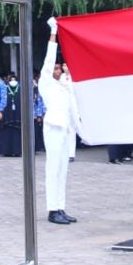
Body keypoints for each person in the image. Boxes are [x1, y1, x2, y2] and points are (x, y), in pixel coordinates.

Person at [41, 19, 82, 224]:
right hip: (53, 127)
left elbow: (73, 107)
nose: (57, 70)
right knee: (53, 167)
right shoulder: (46, 83)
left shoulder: (66, 85)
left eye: (59, 68)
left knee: (63, 170)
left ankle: (61, 207)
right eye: (56, 68)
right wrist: (54, 34)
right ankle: (52, 210)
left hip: (66, 129)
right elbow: (49, 61)